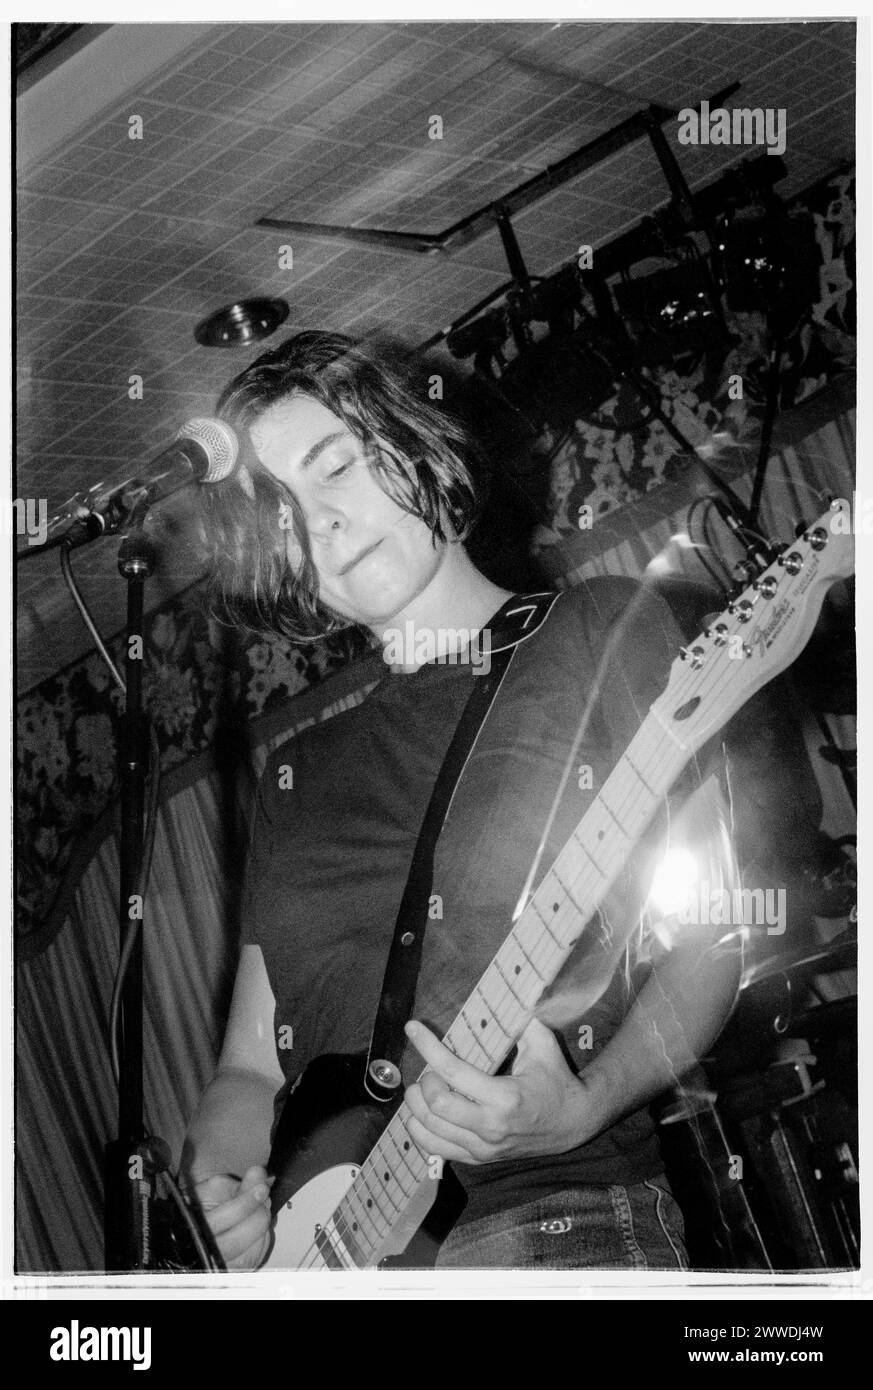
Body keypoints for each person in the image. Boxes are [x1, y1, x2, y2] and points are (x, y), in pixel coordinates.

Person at [181, 331, 741, 1271]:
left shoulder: (602, 632)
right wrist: (215, 1195)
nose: (322, 522)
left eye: (337, 469)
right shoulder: (296, 774)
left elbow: (716, 933)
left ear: (415, 445)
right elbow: (249, 1068)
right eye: (284, 513)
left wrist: (584, 1104)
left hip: (545, 1217)